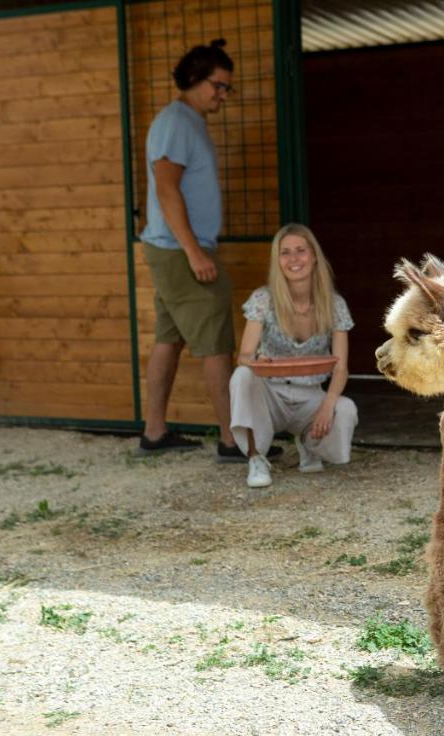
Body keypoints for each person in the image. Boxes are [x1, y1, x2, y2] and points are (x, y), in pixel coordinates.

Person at [137, 39, 261, 461]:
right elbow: (166, 188)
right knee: (215, 344)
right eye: (218, 86)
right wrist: (194, 252)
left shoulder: (186, 122)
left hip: (173, 249)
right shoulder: (176, 122)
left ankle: (154, 433)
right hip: (180, 251)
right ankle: (234, 440)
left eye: (228, 88)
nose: (223, 94)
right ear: (194, 79)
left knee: (168, 339)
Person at [229, 224, 358, 488]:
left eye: (300, 250)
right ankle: (256, 458)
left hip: (311, 392)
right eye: (285, 253)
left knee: (345, 409)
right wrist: (255, 362)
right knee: (242, 376)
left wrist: (328, 404)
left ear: (313, 256)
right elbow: (244, 356)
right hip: (271, 394)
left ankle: (310, 444)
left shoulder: (334, 304)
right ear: (277, 261)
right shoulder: (263, 299)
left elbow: (341, 366)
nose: (294, 259)